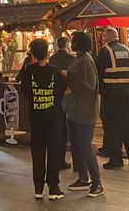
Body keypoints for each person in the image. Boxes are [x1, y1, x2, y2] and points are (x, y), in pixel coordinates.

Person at [20, 38, 65, 201]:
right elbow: (61, 90)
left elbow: (24, 89)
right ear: (47, 52)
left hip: (36, 117)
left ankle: (38, 187)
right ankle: (53, 187)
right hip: (53, 117)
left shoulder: (28, 71)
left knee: (37, 152)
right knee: (53, 151)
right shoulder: (54, 71)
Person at [64, 31, 104, 197]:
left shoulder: (86, 61)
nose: (70, 44)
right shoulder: (78, 59)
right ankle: (83, 177)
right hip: (74, 108)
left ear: (78, 43)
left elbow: (90, 84)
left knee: (85, 145)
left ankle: (97, 183)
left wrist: (69, 78)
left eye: (73, 41)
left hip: (85, 110)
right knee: (76, 144)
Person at [96, 26, 129, 169]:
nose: (103, 40)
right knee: (127, 124)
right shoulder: (126, 50)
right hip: (125, 92)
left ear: (108, 37)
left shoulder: (105, 51)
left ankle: (116, 159)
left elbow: (98, 73)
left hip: (110, 94)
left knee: (112, 126)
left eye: (103, 37)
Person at [50, 37, 75, 171]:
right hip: (70, 97)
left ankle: (59, 160)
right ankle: (77, 162)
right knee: (72, 129)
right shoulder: (72, 59)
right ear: (67, 44)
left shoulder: (52, 59)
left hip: (56, 97)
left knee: (59, 130)